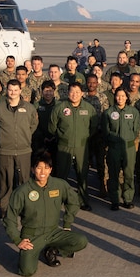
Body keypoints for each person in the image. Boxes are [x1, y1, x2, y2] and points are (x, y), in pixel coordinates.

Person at [4, 154, 88, 277]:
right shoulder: (22, 191)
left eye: (46, 168)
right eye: (39, 168)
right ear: (33, 169)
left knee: (81, 241)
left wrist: (67, 224)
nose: (43, 172)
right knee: (27, 271)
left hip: (53, 232)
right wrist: (18, 240)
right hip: (32, 235)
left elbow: (74, 201)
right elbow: (9, 218)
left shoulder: (59, 185)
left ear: (51, 169)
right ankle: (35, 252)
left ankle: (52, 250)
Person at [0, 80, 39, 212]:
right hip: (5, 151)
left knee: (24, 181)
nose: (13, 92)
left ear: (20, 91)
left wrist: (25, 137)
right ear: (6, 90)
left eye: (16, 90)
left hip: (24, 150)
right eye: (10, 90)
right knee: (6, 182)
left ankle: (25, 209)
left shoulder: (29, 108)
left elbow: (33, 125)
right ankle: (5, 209)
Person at [48, 82, 99, 210]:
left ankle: (83, 200)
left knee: (82, 174)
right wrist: (63, 136)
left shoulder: (88, 108)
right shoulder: (60, 108)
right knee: (61, 175)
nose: (74, 95)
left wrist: (83, 138)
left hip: (81, 147)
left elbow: (93, 126)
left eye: (77, 92)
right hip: (64, 146)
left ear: (82, 93)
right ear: (67, 92)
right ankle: (58, 201)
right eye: (72, 91)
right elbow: (52, 127)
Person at [104, 88, 140, 209]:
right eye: (118, 96)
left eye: (123, 96)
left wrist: (130, 139)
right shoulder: (109, 112)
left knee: (129, 173)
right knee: (113, 174)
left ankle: (128, 199)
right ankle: (115, 200)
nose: (120, 98)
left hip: (129, 147)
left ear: (127, 97)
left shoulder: (133, 112)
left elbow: (137, 129)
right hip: (114, 147)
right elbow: (105, 130)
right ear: (115, 97)